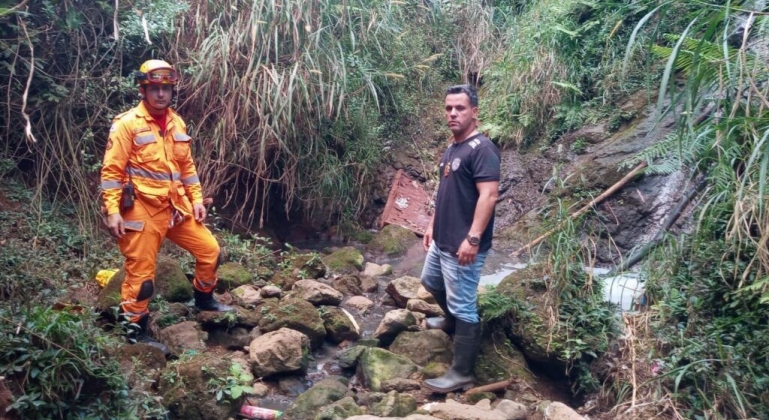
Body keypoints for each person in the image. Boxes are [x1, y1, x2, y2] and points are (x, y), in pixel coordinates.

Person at [100, 59, 233, 354]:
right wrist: (112, 211)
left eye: (166, 88)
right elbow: (111, 173)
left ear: (173, 90)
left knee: (210, 251)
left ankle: (203, 299)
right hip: (142, 209)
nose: (161, 94)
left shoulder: (177, 122)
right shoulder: (126, 124)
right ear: (143, 90)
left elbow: (187, 168)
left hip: (176, 207)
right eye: (155, 88)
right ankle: (135, 330)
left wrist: (196, 200)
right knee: (142, 276)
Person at [421, 84, 500, 393]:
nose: (452, 113)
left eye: (460, 108)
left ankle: (461, 372)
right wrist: (431, 224)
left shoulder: (483, 149)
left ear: (475, 113)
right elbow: (446, 193)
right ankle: (451, 321)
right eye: (448, 108)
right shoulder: (453, 147)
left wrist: (473, 238)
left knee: (465, 305)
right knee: (430, 282)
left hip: (463, 245)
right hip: (442, 239)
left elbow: (489, 196)